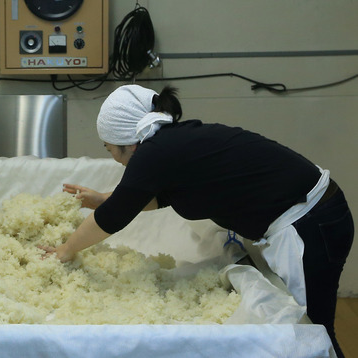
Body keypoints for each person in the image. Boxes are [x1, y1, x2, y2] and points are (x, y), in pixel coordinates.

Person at [40, 84, 353, 358]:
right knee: (309, 328)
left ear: (127, 140)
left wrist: (66, 250)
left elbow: (115, 216)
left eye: (110, 149)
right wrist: (104, 198)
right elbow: (157, 197)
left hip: (311, 222)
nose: (113, 158)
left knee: (312, 332)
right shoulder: (171, 144)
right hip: (316, 216)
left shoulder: (155, 152)